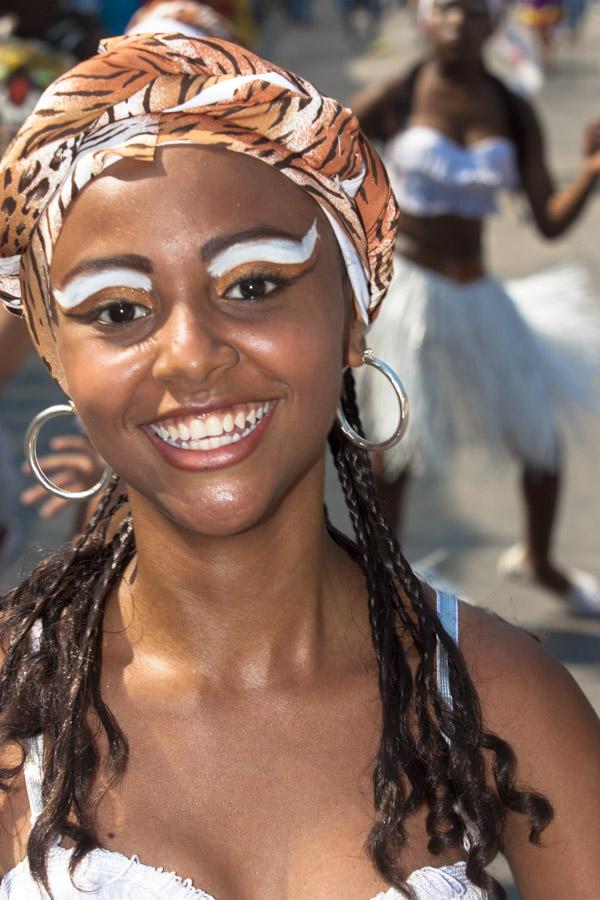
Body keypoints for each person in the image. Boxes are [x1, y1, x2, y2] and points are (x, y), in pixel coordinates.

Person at [0, 31, 599, 899]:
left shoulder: (505, 701)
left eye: (253, 285)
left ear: (357, 312)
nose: (190, 354)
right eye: (120, 308)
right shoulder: (16, 710)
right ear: (56, 355)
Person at [351, 0, 600, 614]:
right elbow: (322, 161)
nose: (459, 21)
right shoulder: (399, 92)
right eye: (447, 9)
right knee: (396, 451)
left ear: (495, 24)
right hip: (410, 292)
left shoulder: (511, 108)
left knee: (539, 437)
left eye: (474, 11)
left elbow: (546, 221)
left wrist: (594, 168)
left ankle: (538, 560)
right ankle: (387, 582)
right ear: (425, 19)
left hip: (480, 292)